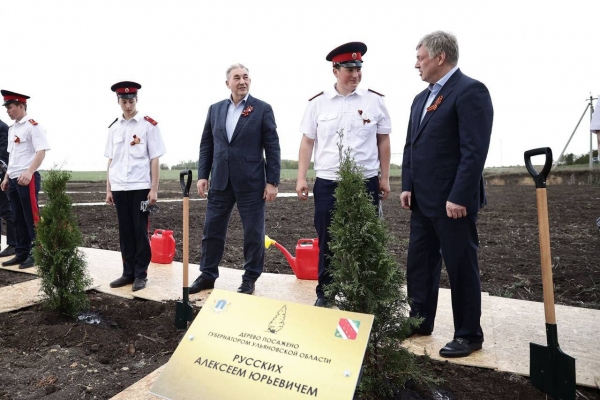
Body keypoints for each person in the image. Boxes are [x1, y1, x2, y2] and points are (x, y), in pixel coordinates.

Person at [400, 31, 493, 358]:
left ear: (440, 57)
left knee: (460, 266)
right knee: (419, 264)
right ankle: (419, 321)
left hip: (453, 203)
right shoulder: (420, 99)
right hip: (422, 200)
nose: (416, 64)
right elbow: (411, 146)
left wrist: (460, 196)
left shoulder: (470, 91)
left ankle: (468, 334)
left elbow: (474, 151)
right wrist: (407, 185)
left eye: (420, 58)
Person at [296, 42, 392, 307]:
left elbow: (383, 140)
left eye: (358, 69)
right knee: (328, 239)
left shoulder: (374, 100)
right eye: (349, 69)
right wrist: (302, 177)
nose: (355, 75)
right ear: (335, 70)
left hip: (365, 181)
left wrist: (384, 177)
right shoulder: (318, 103)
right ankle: (326, 293)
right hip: (328, 182)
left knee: (366, 239)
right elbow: (307, 142)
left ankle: (364, 295)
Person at [189, 63, 281, 296]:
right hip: (220, 181)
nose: (242, 81)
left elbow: (272, 146)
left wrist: (272, 181)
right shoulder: (215, 109)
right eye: (237, 77)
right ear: (227, 83)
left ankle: (249, 279)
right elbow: (207, 144)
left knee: (253, 233)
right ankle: (207, 275)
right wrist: (203, 175)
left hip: (252, 183)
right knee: (212, 230)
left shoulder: (262, 109)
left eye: (246, 77)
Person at [104, 81, 166, 292]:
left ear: (136, 100)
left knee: (140, 230)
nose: (128, 105)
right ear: (118, 102)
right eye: (124, 102)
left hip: (140, 186)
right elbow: (111, 160)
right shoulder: (114, 128)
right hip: (119, 187)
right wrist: (109, 189)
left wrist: (154, 188)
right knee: (125, 231)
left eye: (131, 101)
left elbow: (155, 158)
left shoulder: (148, 125)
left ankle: (140, 274)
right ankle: (127, 272)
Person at [1, 90, 50, 269]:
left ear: (21, 106)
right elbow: (12, 157)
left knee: (31, 216)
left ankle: (38, 253)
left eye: (10, 107)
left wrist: (29, 172)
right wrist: (7, 177)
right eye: (7, 108)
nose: (8, 111)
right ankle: (21, 252)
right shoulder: (12, 129)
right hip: (14, 178)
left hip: (27, 179)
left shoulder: (32, 126)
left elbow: (41, 152)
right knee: (17, 217)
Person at [0, 118, 17, 258]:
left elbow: (4, 155)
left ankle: (13, 244)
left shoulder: (3, 128)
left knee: (7, 210)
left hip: (1, 175)